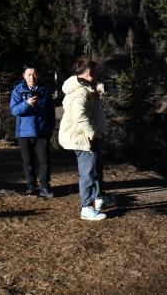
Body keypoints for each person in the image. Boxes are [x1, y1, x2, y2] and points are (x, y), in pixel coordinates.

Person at [58, 58, 111, 221]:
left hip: (90, 137)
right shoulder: (80, 91)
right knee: (87, 173)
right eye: (94, 71)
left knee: (95, 170)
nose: (96, 75)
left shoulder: (87, 88)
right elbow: (79, 115)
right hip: (84, 139)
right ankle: (86, 208)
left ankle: (98, 198)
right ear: (88, 73)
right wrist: (92, 133)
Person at [9, 63, 56, 197]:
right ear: (24, 76)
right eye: (29, 74)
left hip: (42, 132)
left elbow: (51, 112)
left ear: (38, 75)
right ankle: (31, 186)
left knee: (44, 161)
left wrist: (50, 128)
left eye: (34, 74)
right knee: (28, 161)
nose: (32, 77)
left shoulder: (45, 91)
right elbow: (13, 110)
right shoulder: (18, 91)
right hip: (23, 132)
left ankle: (45, 187)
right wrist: (27, 104)